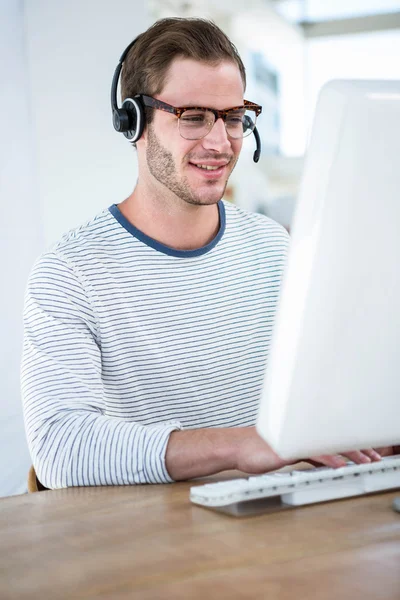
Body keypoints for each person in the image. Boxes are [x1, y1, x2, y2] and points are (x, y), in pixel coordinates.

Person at [21, 18, 397, 489]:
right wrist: (242, 444)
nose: (221, 143)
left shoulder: (273, 247)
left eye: (234, 117)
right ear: (133, 122)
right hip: (150, 539)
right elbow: (61, 449)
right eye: (194, 117)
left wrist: (366, 428)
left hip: (270, 519)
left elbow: (320, 396)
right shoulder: (69, 273)